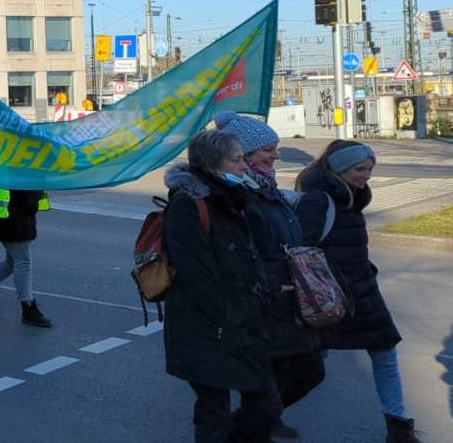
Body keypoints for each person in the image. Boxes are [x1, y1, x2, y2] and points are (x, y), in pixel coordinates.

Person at [295, 141, 421, 442]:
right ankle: (262, 414)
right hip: (331, 297)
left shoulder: (352, 197)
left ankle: (398, 427)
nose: (367, 176)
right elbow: (302, 251)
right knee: (309, 358)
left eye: (370, 169)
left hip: (363, 291)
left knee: (385, 353)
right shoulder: (319, 199)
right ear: (339, 169)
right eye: (360, 169)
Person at [162, 129, 278, 443]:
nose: (244, 166)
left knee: (265, 403)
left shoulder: (236, 198)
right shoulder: (188, 204)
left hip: (242, 321)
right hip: (208, 326)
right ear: (214, 165)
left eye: (243, 158)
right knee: (214, 410)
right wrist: (225, 319)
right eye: (236, 159)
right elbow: (196, 273)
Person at [214, 112, 323, 440]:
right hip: (263, 305)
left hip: (286, 301)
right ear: (244, 156)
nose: (276, 155)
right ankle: (244, 430)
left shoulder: (268, 188)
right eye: (267, 150)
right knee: (268, 388)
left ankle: (252, 425)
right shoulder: (240, 196)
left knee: (308, 371)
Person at [0, 186, 53, 327]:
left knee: (12, 262)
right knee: (23, 262)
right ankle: (27, 307)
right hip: (8, 219)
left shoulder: (16, 164)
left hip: (21, 217)